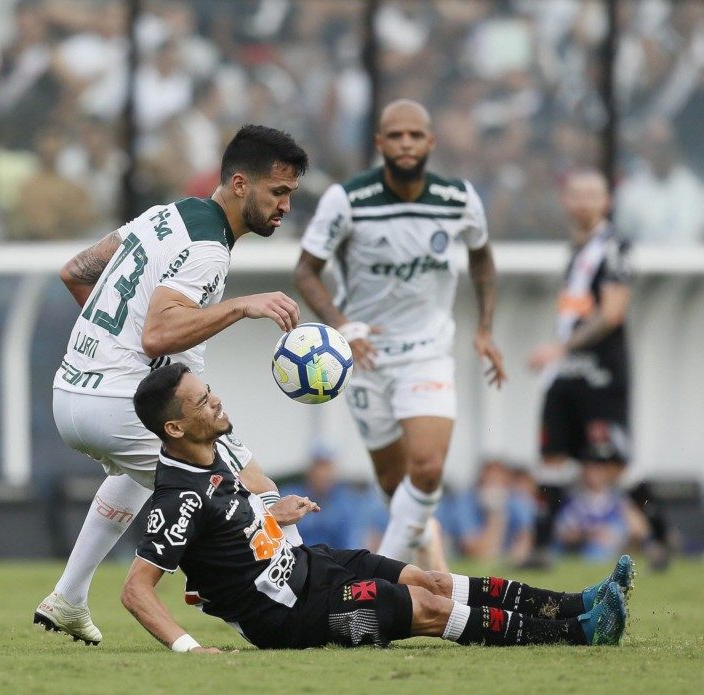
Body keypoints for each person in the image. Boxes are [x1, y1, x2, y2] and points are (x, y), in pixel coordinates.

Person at [121, 363, 632, 652]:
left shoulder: (215, 457)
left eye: (210, 390)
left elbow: (226, 532)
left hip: (311, 565)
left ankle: (580, 600)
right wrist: (190, 650)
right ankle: (579, 633)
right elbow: (135, 590)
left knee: (432, 580)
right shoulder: (177, 499)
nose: (216, 402)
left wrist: (273, 517)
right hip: (290, 616)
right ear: (174, 429)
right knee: (428, 609)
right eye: (202, 402)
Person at [34, 125, 309, 645]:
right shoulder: (208, 249)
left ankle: (69, 597)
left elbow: (77, 271)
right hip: (118, 401)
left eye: (290, 194)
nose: (285, 206)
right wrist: (241, 305)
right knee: (256, 492)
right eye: (279, 192)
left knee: (146, 474)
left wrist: (117, 356)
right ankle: (289, 618)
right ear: (240, 183)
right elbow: (158, 332)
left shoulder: (167, 215)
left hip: (71, 394)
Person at [293, 99, 507, 571]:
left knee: (427, 470)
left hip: (427, 352)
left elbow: (482, 258)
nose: (406, 143)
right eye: (396, 136)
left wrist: (486, 327)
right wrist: (343, 326)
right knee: (395, 485)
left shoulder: (458, 199)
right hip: (365, 358)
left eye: (415, 135)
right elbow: (306, 271)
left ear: (430, 141)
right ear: (380, 144)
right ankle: (429, 552)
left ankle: (384, 576)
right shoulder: (347, 200)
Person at [528, 170, 666, 566]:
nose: (585, 202)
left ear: (607, 202)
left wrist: (560, 347)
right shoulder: (576, 250)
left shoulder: (614, 247)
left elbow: (612, 313)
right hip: (566, 372)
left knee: (615, 462)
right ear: (566, 201)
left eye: (593, 195)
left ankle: (658, 536)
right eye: (577, 194)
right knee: (551, 456)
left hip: (601, 373)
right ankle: (539, 546)